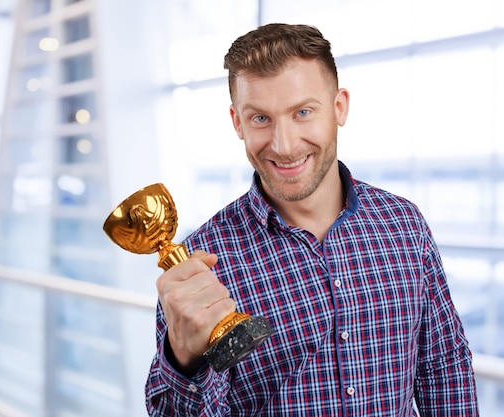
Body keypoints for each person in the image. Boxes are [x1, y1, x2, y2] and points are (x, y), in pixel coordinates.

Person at [145, 23, 479, 416]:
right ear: (237, 122)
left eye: (302, 112)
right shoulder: (204, 263)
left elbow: (444, 369)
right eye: (260, 119)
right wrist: (184, 359)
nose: (284, 145)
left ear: (339, 108)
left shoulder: (404, 224)